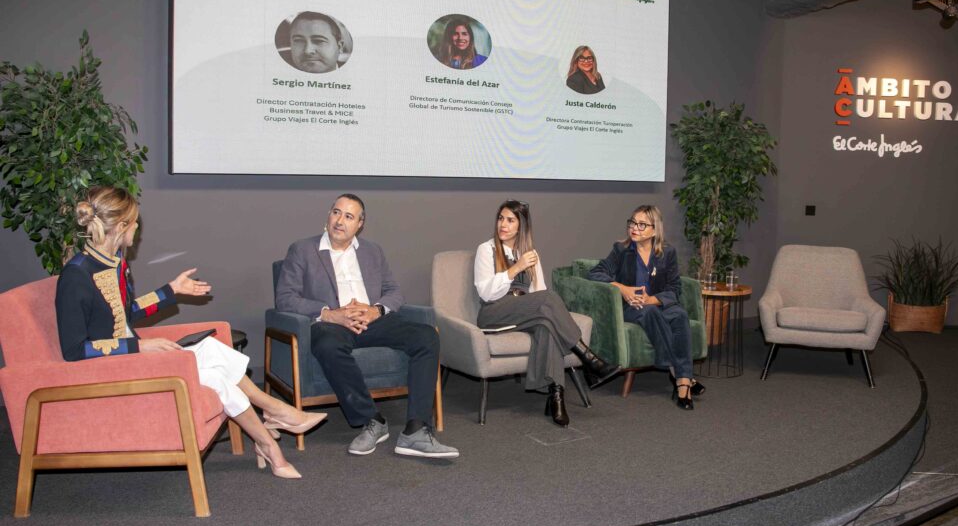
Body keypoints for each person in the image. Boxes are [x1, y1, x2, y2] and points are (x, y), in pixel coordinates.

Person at [55, 186, 325, 480]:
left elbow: (125, 313)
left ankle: (272, 420)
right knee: (215, 377)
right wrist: (139, 348)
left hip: (132, 360)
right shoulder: (76, 274)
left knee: (210, 348)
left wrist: (170, 291)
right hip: (113, 372)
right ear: (121, 226)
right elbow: (74, 350)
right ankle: (270, 437)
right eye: (134, 223)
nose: (137, 229)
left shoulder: (116, 262)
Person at [275, 194, 458, 459]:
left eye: (349, 216)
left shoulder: (373, 251)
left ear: (360, 224)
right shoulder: (302, 249)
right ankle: (372, 420)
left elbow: (394, 291)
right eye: (336, 212)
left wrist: (376, 310)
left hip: (373, 321)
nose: (340, 221)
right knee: (327, 345)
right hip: (333, 325)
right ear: (328, 215)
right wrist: (330, 314)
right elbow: (285, 298)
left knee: (426, 336)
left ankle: (416, 430)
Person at [474, 200, 621, 427]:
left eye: (510, 220)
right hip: (494, 312)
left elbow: (538, 292)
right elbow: (486, 293)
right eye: (501, 218)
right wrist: (516, 268)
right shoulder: (486, 249)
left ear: (522, 226)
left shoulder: (530, 254)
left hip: (525, 312)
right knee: (549, 299)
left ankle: (556, 395)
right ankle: (589, 359)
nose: (503, 224)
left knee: (546, 324)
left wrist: (527, 266)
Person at [586, 205, 706, 409]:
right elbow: (595, 273)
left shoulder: (667, 253)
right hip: (630, 307)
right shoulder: (621, 250)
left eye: (642, 225)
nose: (635, 228)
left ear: (654, 230)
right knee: (648, 312)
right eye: (632, 223)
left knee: (679, 314)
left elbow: (674, 288)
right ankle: (682, 378)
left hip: (654, 303)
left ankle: (682, 376)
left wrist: (652, 299)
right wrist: (623, 289)